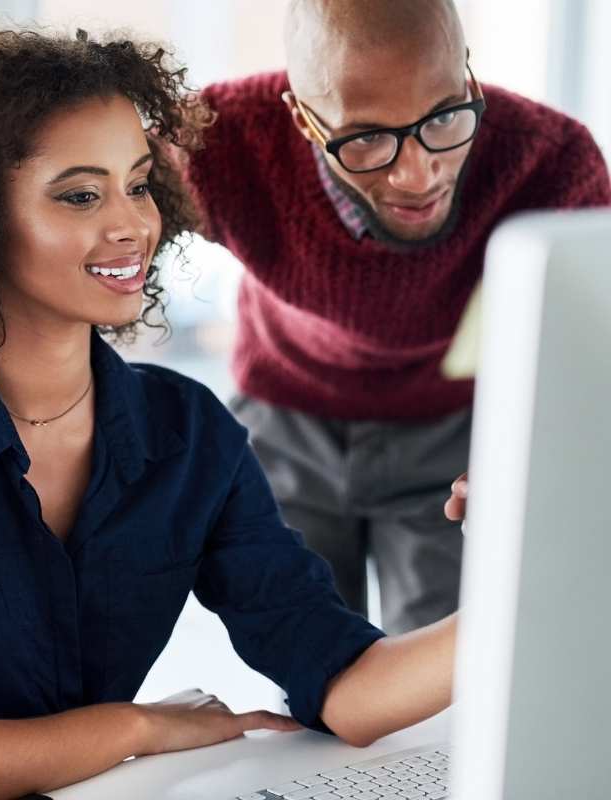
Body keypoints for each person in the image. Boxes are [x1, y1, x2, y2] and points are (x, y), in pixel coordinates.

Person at [0, 28, 455, 800]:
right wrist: (135, 728)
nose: (133, 226)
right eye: (81, 194)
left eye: (140, 185)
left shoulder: (184, 433)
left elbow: (344, 684)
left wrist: (534, 575)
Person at [157, 0, 611, 634]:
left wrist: (531, 446)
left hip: (447, 431)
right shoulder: (222, 142)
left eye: (445, 117)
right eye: (366, 137)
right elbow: (90, 210)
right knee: (311, 666)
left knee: (439, 680)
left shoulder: (552, 162)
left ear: (469, 78)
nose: (418, 173)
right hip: (287, 421)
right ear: (303, 118)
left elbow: (586, 339)